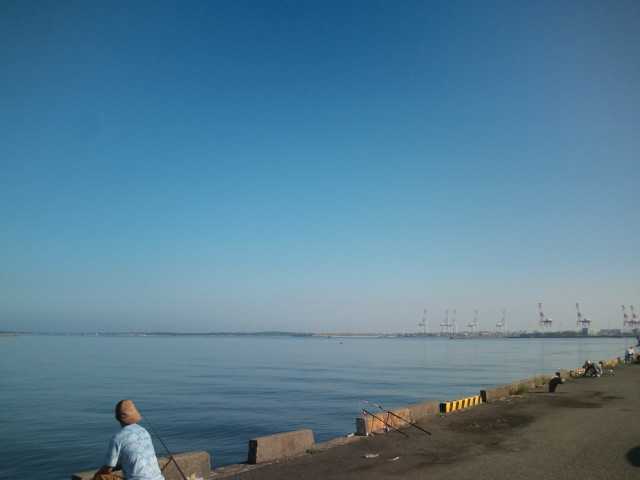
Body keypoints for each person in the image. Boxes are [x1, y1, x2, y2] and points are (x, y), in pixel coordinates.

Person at [94, 400, 165, 480]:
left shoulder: (118, 438)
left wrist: (97, 474)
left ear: (118, 418)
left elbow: (108, 468)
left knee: (100, 477)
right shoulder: (144, 431)